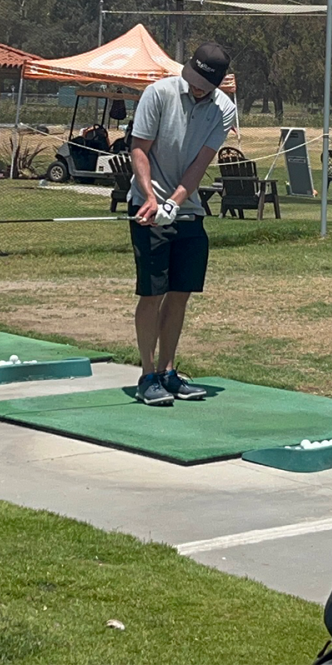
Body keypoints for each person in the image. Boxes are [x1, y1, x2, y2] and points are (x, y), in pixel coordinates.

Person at [127, 42, 236, 406]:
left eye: (204, 84)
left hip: (187, 209)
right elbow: (139, 148)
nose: (196, 87)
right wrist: (152, 198)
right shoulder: (158, 93)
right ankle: (146, 375)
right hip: (148, 207)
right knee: (152, 293)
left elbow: (201, 162)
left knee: (180, 294)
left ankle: (168, 371)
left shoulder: (224, 109)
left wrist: (175, 201)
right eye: (193, 78)